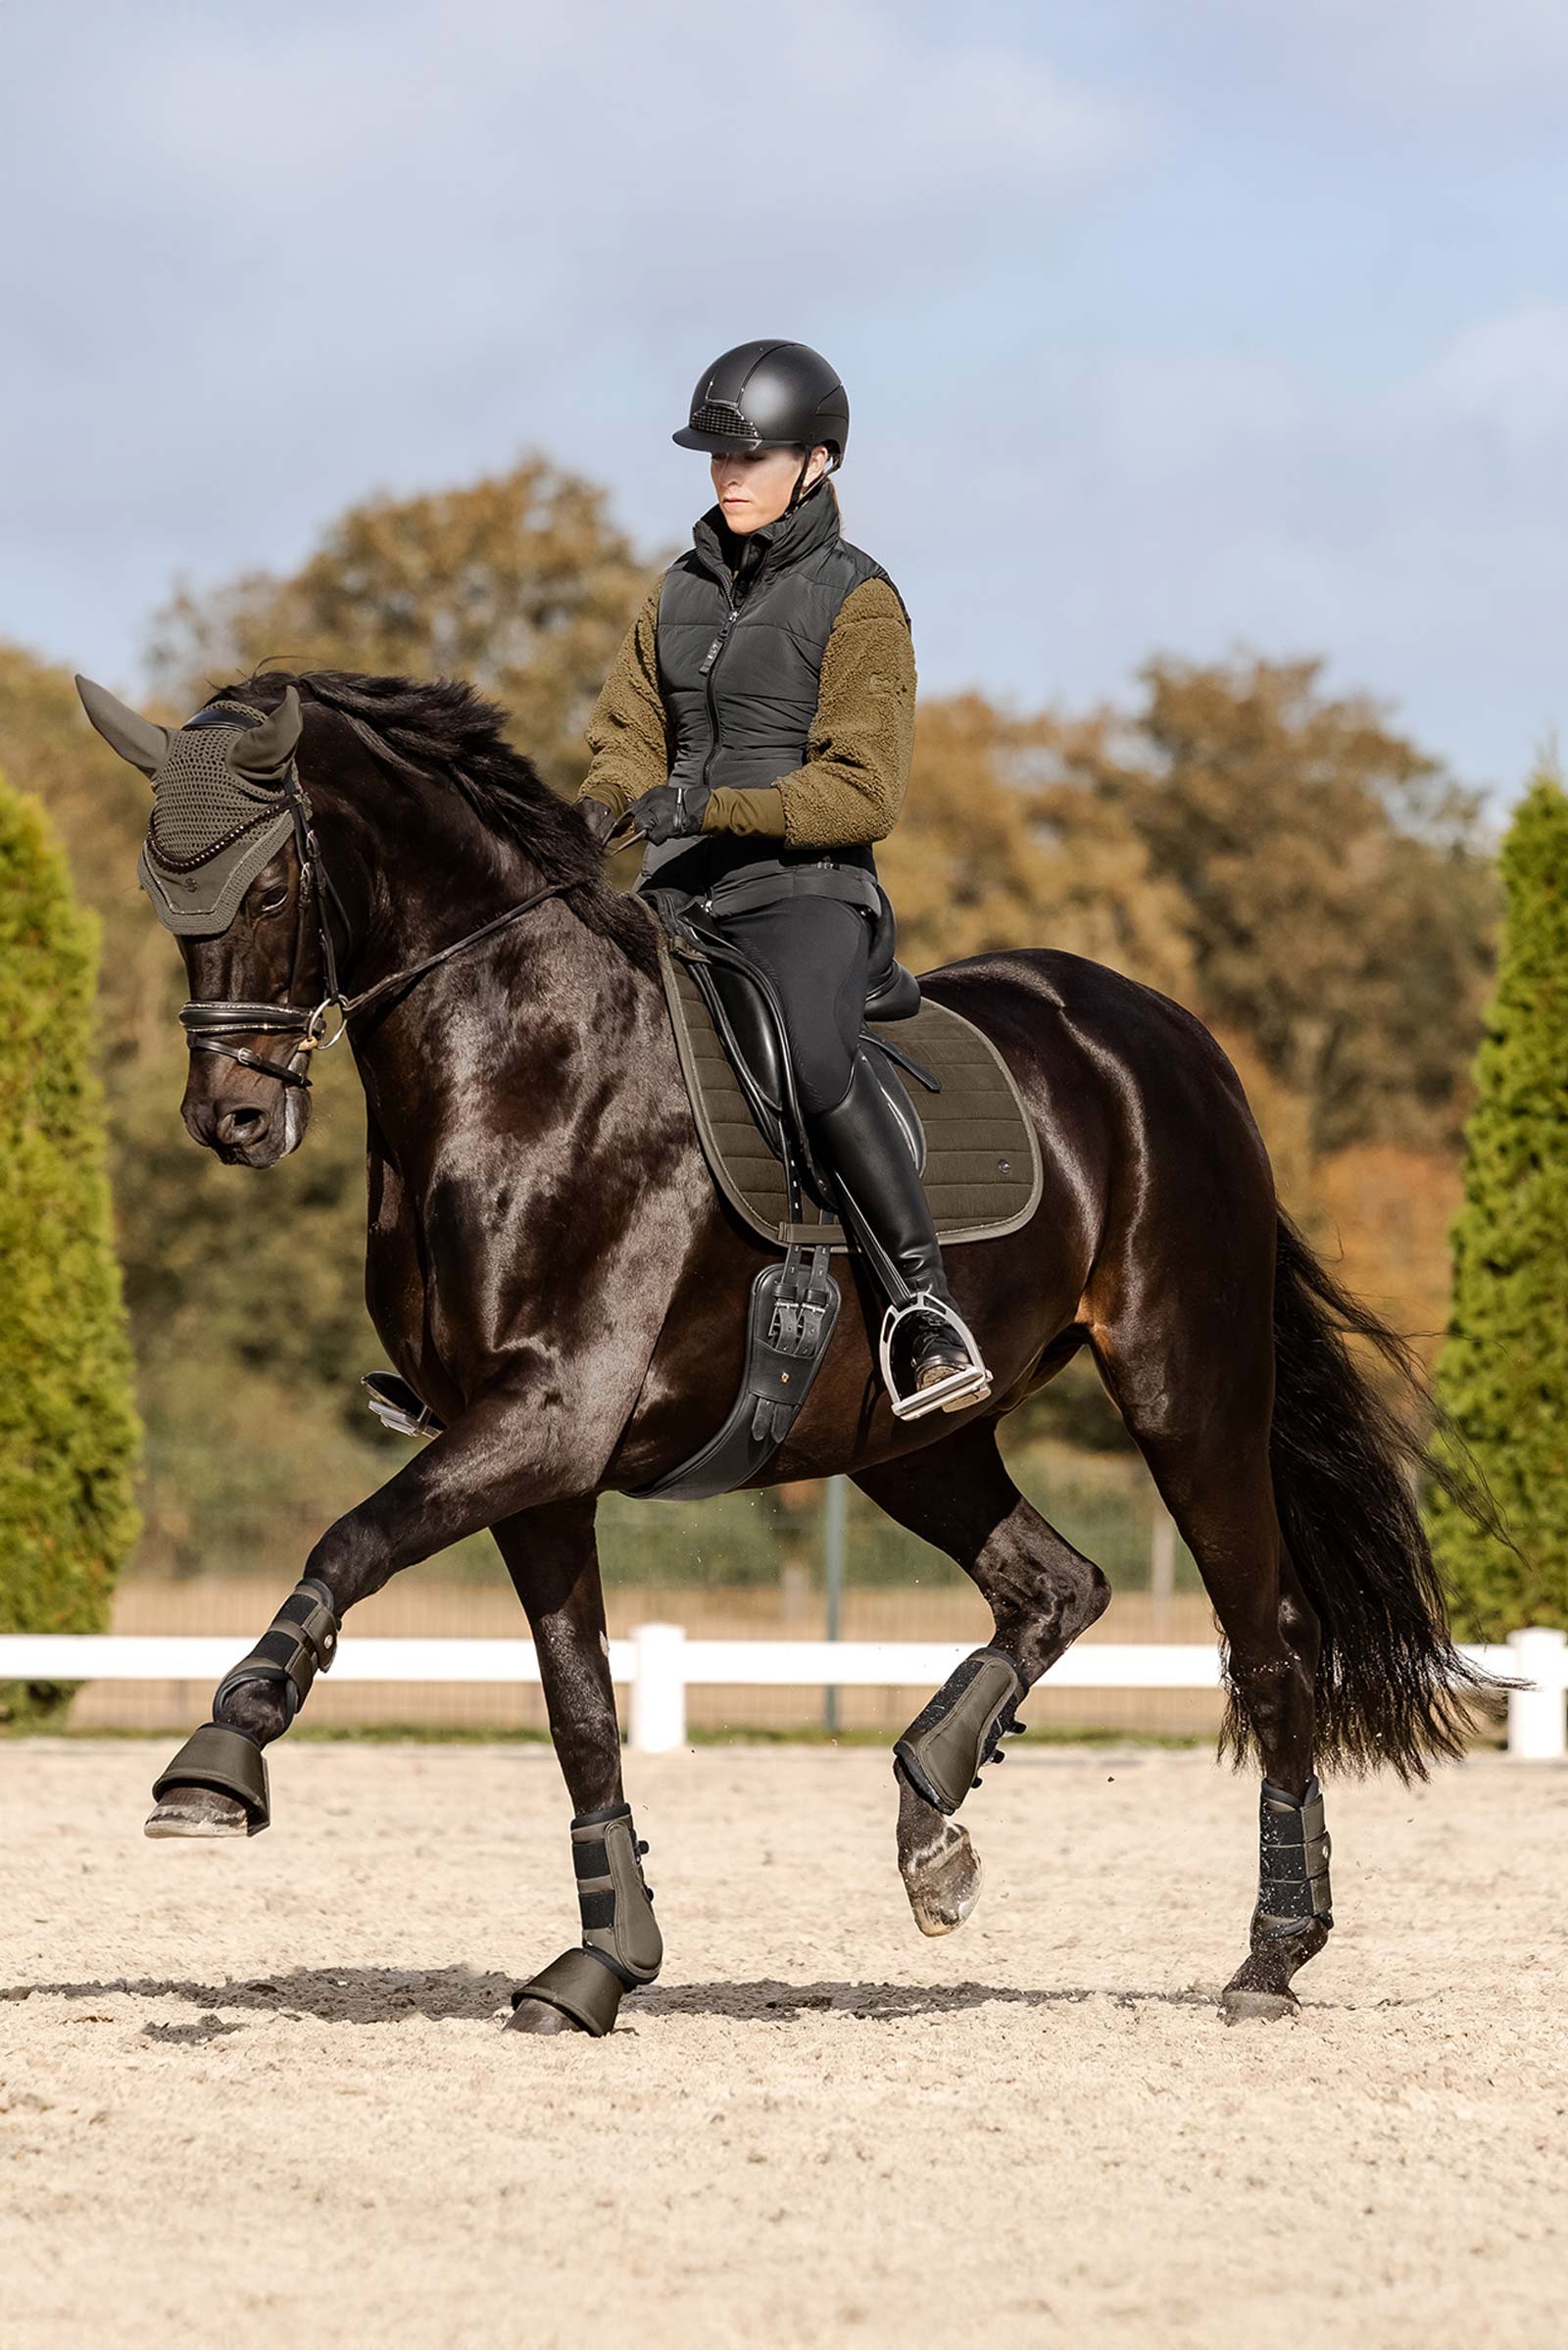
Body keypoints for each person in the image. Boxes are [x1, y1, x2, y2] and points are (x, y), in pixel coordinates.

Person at [577, 339, 990, 1415]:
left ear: (818, 463)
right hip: (675, 892)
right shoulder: (671, 593)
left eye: (751, 459)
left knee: (811, 1059)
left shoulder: (860, 601)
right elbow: (629, 735)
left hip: (802, 892)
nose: (728, 479)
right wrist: (598, 805)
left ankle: (921, 1306)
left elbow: (863, 792)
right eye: (717, 459)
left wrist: (709, 804)